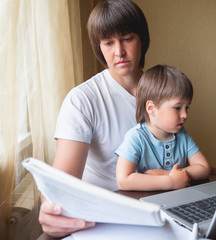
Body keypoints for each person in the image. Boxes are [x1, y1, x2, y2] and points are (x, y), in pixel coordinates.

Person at [39, 0, 150, 237]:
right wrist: (51, 209)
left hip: (157, 209)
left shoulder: (163, 89)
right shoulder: (82, 100)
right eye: (108, 43)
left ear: (142, 39)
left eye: (127, 38)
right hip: (106, 220)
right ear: (99, 48)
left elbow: (176, 154)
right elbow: (59, 187)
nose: (118, 51)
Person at [116, 65, 212, 191]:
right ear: (151, 108)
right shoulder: (136, 137)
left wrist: (168, 174)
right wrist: (170, 181)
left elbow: (203, 167)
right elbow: (123, 180)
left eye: (186, 107)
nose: (185, 115)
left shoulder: (182, 135)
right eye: (177, 108)